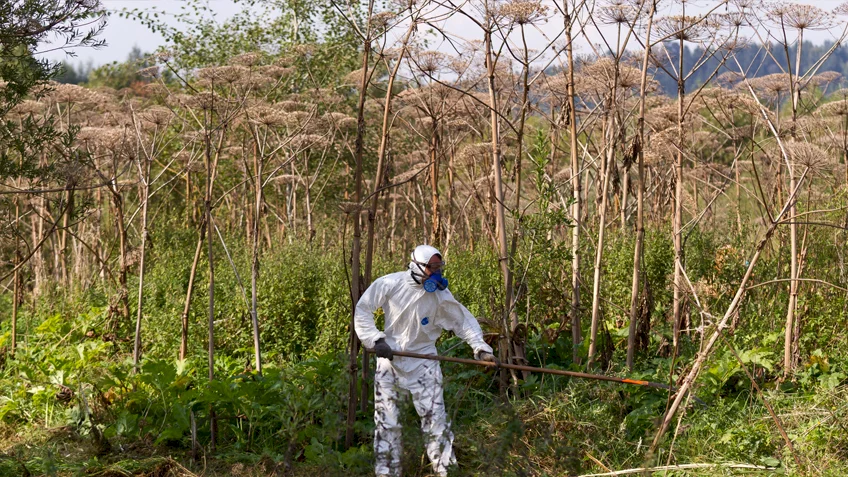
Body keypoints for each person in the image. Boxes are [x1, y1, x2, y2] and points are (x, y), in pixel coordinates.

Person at [355, 244, 498, 477]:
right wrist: (375, 340)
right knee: (388, 423)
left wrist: (481, 349)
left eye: (439, 267)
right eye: (432, 268)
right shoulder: (390, 284)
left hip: (424, 362)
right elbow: (363, 309)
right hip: (390, 361)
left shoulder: (440, 295)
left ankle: (446, 472)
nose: (437, 273)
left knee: (436, 423)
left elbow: (462, 321)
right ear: (417, 266)